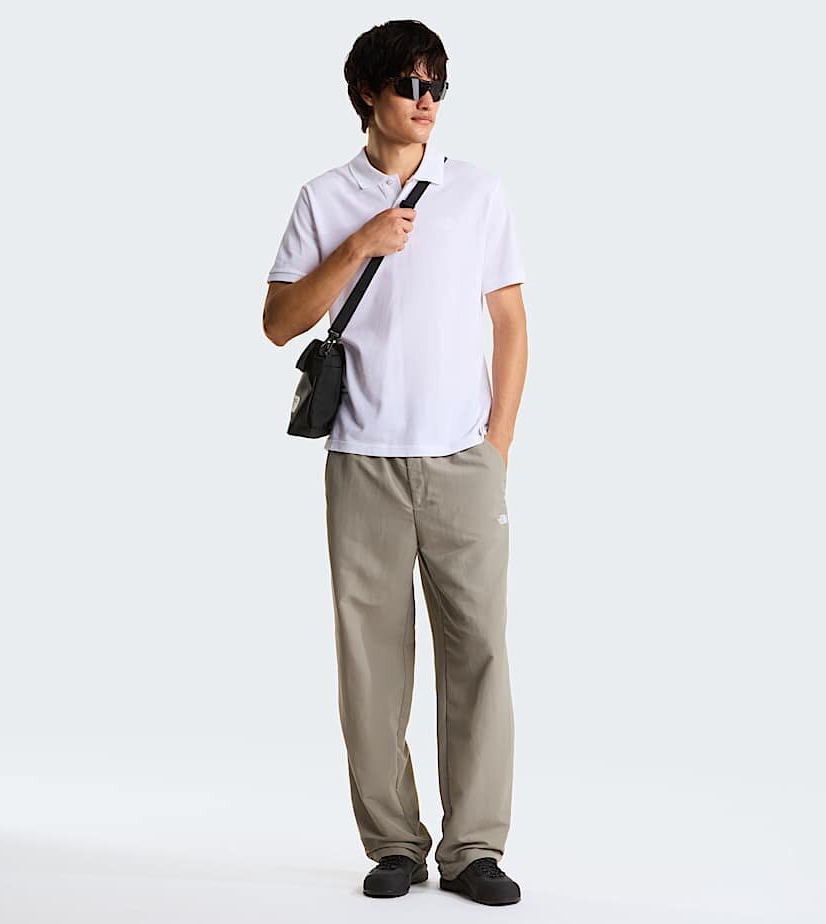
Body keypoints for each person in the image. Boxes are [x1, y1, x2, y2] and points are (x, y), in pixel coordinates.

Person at [262, 19, 528, 907]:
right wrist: (358, 246)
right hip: (363, 462)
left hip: (462, 462)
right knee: (372, 664)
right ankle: (394, 845)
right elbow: (278, 323)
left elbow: (510, 322)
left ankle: (475, 848)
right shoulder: (323, 198)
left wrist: (496, 446)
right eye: (410, 85)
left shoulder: (477, 192)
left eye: (436, 86)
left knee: (479, 652)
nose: (426, 102)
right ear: (367, 95)